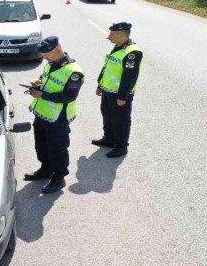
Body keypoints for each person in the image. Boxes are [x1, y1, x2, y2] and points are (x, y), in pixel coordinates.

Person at [24, 36, 84, 194]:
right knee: (41, 144)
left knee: (58, 148)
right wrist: (39, 82)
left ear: (58, 50)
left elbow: (69, 96)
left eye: (46, 54)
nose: (44, 58)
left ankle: (59, 177)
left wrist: (42, 95)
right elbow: (47, 79)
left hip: (58, 118)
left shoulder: (74, 72)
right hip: (42, 113)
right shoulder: (51, 64)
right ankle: (45, 169)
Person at [92, 22, 143, 158]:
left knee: (120, 120)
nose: (108, 37)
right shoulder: (116, 48)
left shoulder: (132, 52)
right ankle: (109, 139)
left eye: (111, 34)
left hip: (120, 94)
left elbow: (129, 77)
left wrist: (122, 96)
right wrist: (100, 85)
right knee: (107, 115)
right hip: (108, 90)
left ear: (121, 35)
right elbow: (107, 68)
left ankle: (121, 147)